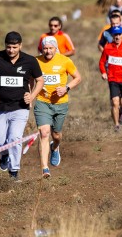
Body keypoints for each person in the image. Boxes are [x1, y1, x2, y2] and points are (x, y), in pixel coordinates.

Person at [0, 31, 44, 181]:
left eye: (15, 47)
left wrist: (32, 96)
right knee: (1, 141)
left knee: (15, 138)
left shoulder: (29, 61)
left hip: (20, 107)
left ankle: (14, 171)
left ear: (20, 46)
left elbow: (40, 80)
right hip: (0, 107)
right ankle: (4, 155)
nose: (11, 50)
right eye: (9, 47)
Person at [34, 36, 81, 178]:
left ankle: (55, 147)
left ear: (56, 48)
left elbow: (78, 78)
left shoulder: (65, 61)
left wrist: (66, 88)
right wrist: (30, 95)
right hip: (42, 102)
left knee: (56, 135)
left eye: (50, 48)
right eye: (45, 48)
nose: (47, 51)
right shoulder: (36, 61)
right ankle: (45, 168)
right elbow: (31, 80)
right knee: (44, 133)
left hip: (60, 104)